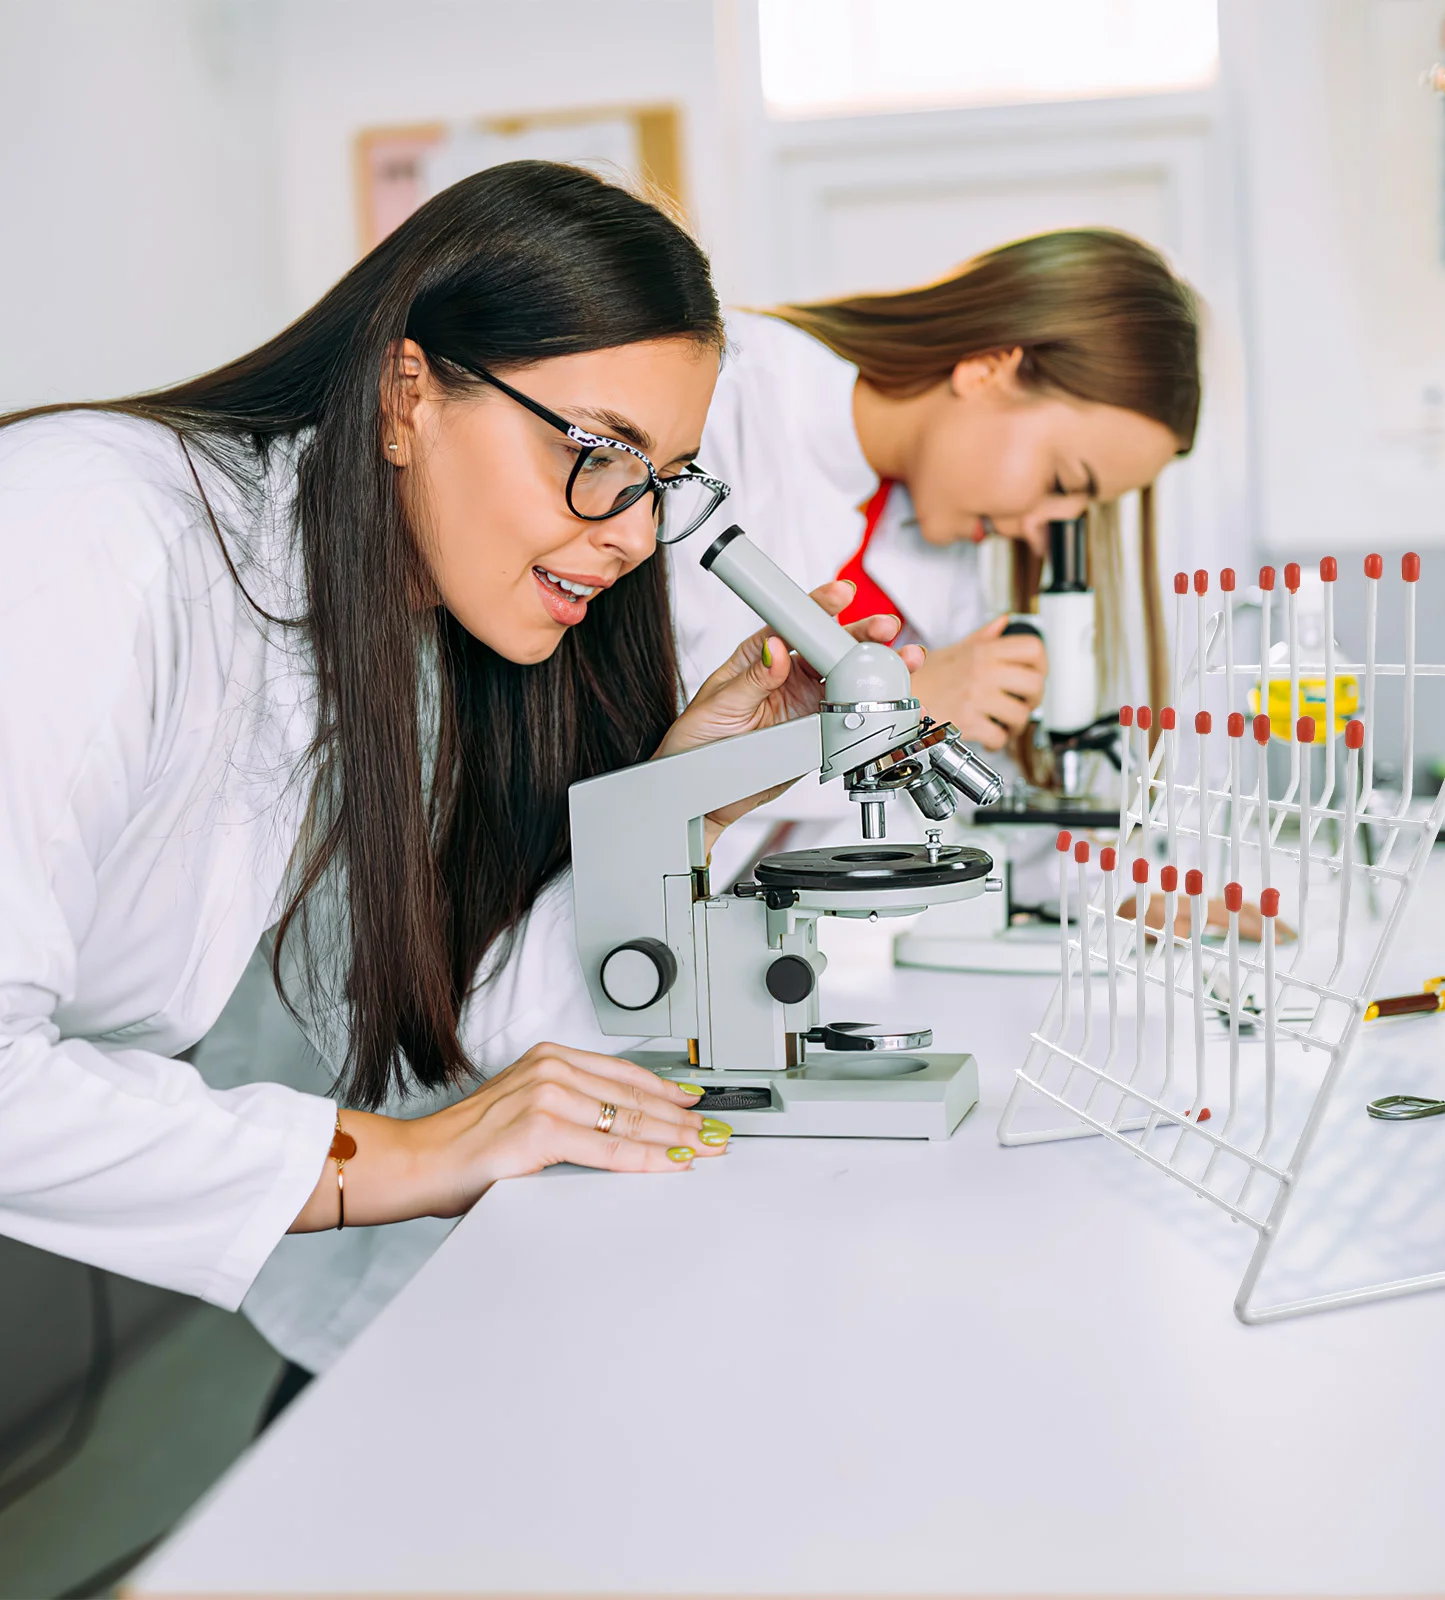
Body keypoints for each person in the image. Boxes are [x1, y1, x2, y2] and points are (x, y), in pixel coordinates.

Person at [0, 162, 918, 1410]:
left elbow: (494, 1026)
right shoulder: (91, 527)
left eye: (663, 480)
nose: (634, 532)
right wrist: (398, 1162)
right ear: (405, 396)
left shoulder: (415, 638)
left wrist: (684, 802)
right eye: (601, 453)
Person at [668, 228, 1201, 890]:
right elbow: (657, 752)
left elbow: (965, 802)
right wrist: (903, 705)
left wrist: (1119, 896)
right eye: (1061, 483)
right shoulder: (729, 397)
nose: (1043, 535)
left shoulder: (938, 535)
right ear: (989, 369)